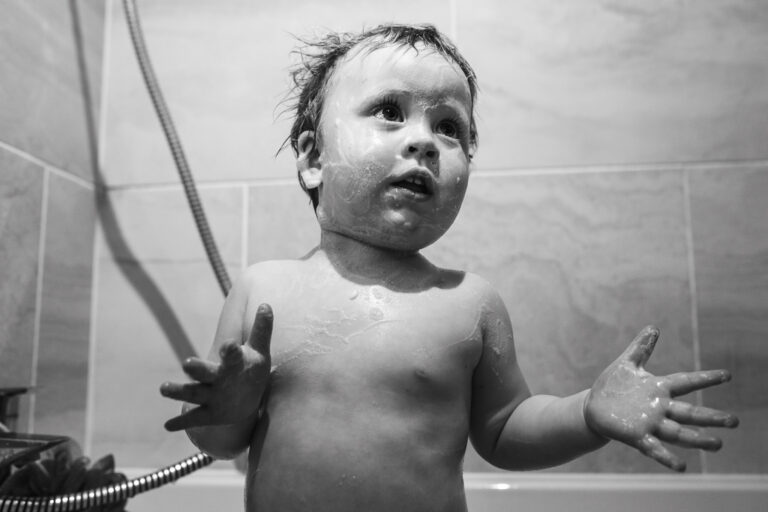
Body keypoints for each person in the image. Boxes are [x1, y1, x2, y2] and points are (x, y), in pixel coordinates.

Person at [159, 24, 738, 512]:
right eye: (390, 111)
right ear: (313, 159)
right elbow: (218, 441)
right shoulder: (264, 291)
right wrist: (225, 412)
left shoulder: (468, 303)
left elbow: (506, 429)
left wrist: (586, 414)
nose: (425, 141)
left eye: (450, 127)